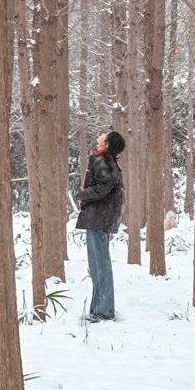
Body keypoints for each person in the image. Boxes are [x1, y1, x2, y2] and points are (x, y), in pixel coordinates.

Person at [75, 130, 126, 322]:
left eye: (105, 135)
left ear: (106, 144)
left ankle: (103, 312)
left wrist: (83, 194)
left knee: (99, 265)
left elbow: (106, 185)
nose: (101, 134)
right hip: (103, 218)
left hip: (98, 218)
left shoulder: (100, 159)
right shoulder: (106, 159)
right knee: (98, 265)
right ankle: (99, 310)